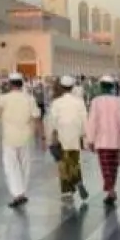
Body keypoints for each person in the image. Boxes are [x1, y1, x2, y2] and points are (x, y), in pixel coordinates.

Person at [0, 72, 42, 208]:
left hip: (9, 138)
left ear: (9, 84)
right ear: (21, 84)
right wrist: (42, 136)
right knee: (24, 165)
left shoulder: (3, 98)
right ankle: (22, 193)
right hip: (26, 137)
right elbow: (37, 117)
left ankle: (17, 194)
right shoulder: (29, 98)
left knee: (11, 166)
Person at [85, 76, 120, 205]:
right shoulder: (118, 101)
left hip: (102, 140)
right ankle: (111, 190)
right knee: (113, 167)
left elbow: (92, 121)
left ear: (100, 86)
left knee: (105, 167)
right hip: (115, 141)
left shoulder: (96, 101)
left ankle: (111, 190)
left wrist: (90, 139)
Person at [47, 75, 88, 205]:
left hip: (61, 136)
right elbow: (84, 120)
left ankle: (67, 192)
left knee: (63, 164)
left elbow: (52, 121)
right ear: (72, 87)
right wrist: (84, 135)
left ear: (61, 87)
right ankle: (78, 181)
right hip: (75, 136)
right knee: (74, 161)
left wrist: (49, 137)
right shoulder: (79, 102)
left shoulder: (56, 102)